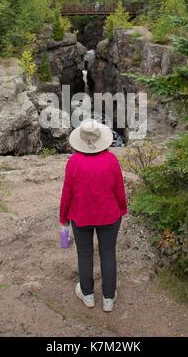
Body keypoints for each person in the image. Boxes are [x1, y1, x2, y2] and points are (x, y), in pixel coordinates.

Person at [59, 118, 128, 312]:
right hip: (109, 215)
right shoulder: (111, 160)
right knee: (108, 253)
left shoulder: (73, 162)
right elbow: (119, 191)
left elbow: (67, 194)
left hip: (81, 216)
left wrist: (63, 218)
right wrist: (121, 209)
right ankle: (108, 298)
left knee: (85, 253)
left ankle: (88, 295)